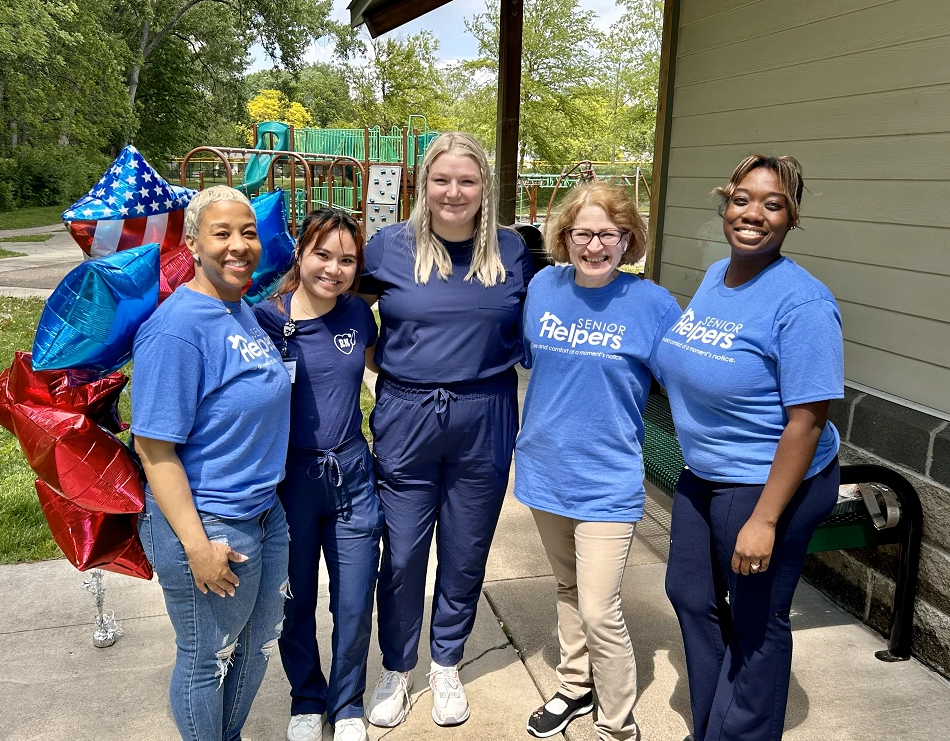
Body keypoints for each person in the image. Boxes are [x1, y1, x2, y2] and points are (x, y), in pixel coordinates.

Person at [655, 156, 844, 741]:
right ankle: (713, 723)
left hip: (769, 481)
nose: (753, 213)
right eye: (742, 198)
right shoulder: (717, 276)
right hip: (705, 471)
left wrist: (765, 520)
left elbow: (808, 421)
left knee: (757, 621)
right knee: (688, 594)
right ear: (725, 203)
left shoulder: (803, 304)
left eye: (773, 203)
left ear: (791, 219)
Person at [357, 131, 534, 728]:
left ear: (485, 187)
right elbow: (338, 305)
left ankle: (447, 661)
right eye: (442, 180)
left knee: (464, 550)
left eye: (467, 180)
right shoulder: (387, 248)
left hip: (485, 412)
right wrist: (385, 364)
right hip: (407, 413)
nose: (453, 192)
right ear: (422, 185)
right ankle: (397, 665)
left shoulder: (513, 252)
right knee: (402, 553)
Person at [514, 183, 681, 740]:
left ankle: (615, 721)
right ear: (564, 237)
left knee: (599, 606)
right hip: (544, 468)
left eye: (608, 234)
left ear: (627, 238)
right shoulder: (543, 287)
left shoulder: (652, 304)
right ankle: (573, 686)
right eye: (582, 233)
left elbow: (689, 383)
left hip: (608, 477)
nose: (594, 246)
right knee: (567, 588)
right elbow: (525, 359)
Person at [132, 185, 292, 741]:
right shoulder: (177, 329)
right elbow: (155, 449)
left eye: (248, 232)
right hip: (208, 522)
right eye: (222, 233)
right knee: (206, 659)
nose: (238, 245)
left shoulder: (240, 310)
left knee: (256, 647)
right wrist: (198, 547)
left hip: (263, 514)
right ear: (194, 243)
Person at [252, 208, 380, 741]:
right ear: (300, 254)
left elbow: (384, 367)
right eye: (323, 254)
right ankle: (306, 695)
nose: (333, 269)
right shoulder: (263, 318)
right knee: (295, 598)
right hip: (291, 480)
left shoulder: (357, 316)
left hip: (352, 472)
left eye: (347, 260)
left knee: (353, 599)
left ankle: (347, 701)